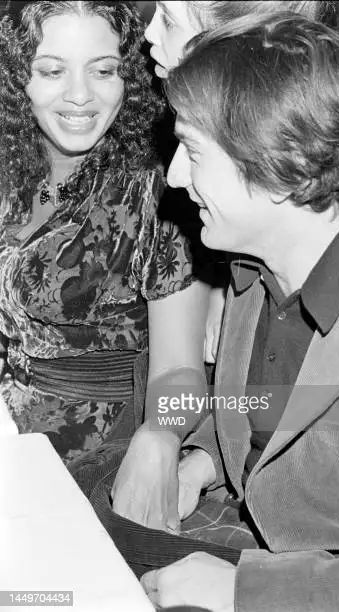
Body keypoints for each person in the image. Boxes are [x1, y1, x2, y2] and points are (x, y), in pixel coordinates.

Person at [136, 13, 339, 610]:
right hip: (239, 535)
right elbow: (280, 408)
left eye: (193, 152)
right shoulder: (254, 267)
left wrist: (248, 590)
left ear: (283, 167)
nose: (174, 178)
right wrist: (202, 462)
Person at [0, 0, 209, 509]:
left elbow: (182, 374)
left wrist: (160, 435)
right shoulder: (9, 163)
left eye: (104, 70)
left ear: (129, 76)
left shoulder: (161, 195)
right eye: (51, 70)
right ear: (15, 76)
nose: (79, 95)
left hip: (88, 460)